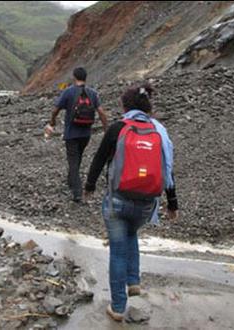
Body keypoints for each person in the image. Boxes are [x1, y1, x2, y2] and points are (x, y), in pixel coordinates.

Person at [84, 83, 179, 321]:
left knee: (117, 250)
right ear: (149, 107)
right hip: (146, 204)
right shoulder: (159, 132)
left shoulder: (118, 128)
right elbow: (168, 171)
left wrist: (89, 187)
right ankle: (133, 282)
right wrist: (172, 203)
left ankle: (117, 307)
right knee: (132, 234)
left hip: (118, 200)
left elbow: (98, 160)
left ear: (125, 106)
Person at [45, 67, 108, 203]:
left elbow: (55, 109)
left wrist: (52, 122)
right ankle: (71, 182)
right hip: (86, 134)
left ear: (74, 77)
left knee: (73, 162)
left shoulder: (68, 92)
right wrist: (106, 130)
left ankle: (77, 192)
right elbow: (102, 113)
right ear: (85, 78)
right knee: (77, 157)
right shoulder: (92, 93)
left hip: (71, 133)